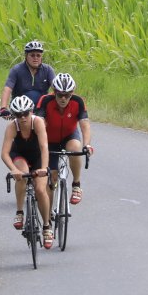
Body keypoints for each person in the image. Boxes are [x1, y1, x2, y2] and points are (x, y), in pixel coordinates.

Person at [0, 95, 54, 249]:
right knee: (22, 174)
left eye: (25, 113)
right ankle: (19, 212)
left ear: (31, 112)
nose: (23, 117)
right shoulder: (12, 127)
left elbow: (44, 147)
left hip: (38, 156)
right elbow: (4, 153)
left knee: (40, 189)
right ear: (14, 115)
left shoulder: (38, 122)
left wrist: (44, 168)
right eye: (18, 115)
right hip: (19, 155)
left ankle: (46, 226)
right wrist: (13, 169)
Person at [36, 72, 94, 206]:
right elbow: (39, 123)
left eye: (67, 95)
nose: (63, 98)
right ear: (54, 92)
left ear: (72, 93)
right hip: (50, 139)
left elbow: (85, 125)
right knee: (53, 177)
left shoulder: (78, 102)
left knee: (75, 149)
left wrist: (87, 145)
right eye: (60, 95)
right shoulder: (45, 100)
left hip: (69, 135)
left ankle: (76, 185)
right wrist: (39, 144)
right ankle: (49, 210)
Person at [0, 40, 55, 118]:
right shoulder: (16, 70)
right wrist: (3, 108)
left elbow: (56, 89)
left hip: (40, 109)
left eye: (38, 55)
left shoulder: (48, 70)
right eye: (32, 55)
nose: (35, 58)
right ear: (26, 56)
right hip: (20, 108)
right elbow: (7, 89)